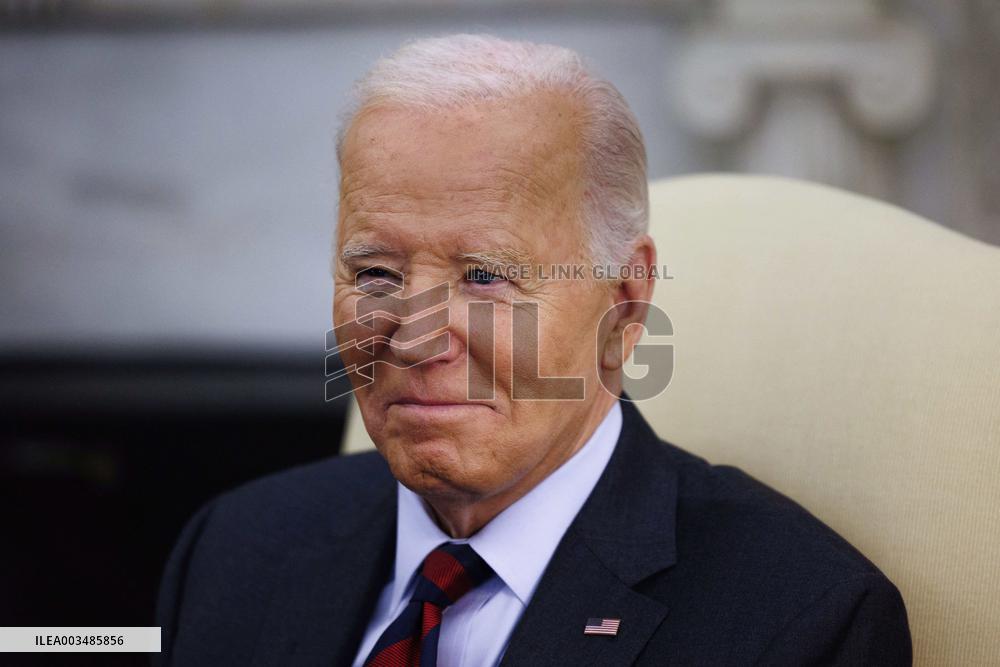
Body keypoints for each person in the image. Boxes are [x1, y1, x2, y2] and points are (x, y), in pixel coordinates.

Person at [156, 34, 911, 666]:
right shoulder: (234, 548)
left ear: (625, 299)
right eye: (375, 273)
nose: (414, 337)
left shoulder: (802, 622)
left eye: (485, 276)